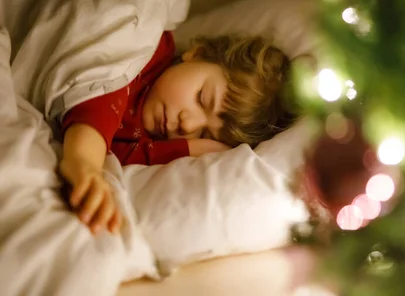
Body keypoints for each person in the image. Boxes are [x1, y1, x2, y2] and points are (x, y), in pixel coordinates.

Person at [59, 31, 294, 236]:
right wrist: (84, 160)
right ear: (197, 54)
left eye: (205, 134)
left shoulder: (150, 143)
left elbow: (117, 154)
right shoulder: (149, 47)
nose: (188, 125)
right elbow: (103, 91)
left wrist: (189, 149)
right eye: (202, 98)